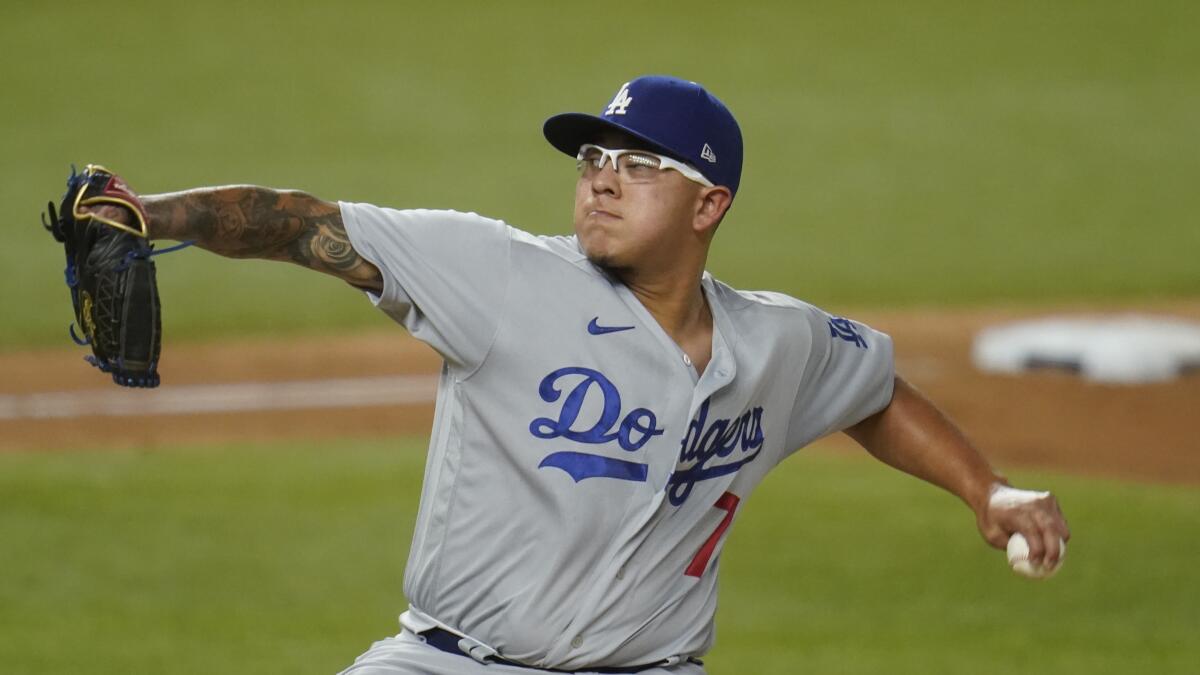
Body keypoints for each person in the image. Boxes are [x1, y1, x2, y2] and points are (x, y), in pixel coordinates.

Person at [84, 75, 1069, 674]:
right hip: (447, 667)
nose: (600, 174)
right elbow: (304, 225)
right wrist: (151, 214)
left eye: (639, 165)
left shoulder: (777, 345)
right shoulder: (498, 274)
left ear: (708, 203)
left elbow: (877, 393)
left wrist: (986, 488)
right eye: (594, 154)